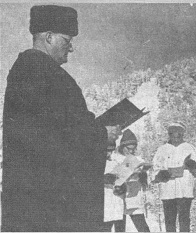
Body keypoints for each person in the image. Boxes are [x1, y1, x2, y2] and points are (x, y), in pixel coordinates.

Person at [2, 5, 121, 231]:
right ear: (49, 37)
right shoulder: (45, 73)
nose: (71, 48)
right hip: (52, 206)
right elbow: (57, 136)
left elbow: (52, 130)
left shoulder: (27, 69)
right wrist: (103, 134)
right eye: (67, 40)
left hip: (32, 201)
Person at [152, 122, 196, 232]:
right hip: (168, 189)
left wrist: (193, 166)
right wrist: (161, 174)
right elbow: (155, 169)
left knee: (184, 219)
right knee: (170, 220)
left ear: (182, 135)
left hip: (184, 189)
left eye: (179, 135)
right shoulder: (162, 149)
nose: (176, 138)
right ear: (169, 135)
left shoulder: (189, 148)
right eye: (173, 135)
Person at [118, 129, 151, 232]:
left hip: (134, 197)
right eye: (129, 148)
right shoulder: (116, 159)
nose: (131, 151)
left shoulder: (138, 160)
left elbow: (145, 181)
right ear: (122, 147)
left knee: (143, 228)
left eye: (133, 149)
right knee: (119, 228)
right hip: (119, 198)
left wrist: (143, 173)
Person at [102, 142, 126, 232]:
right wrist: (104, 179)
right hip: (105, 201)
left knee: (119, 225)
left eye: (111, 151)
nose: (108, 153)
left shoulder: (115, 162)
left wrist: (121, 184)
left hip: (117, 199)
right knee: (106, 226)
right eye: (107, 151)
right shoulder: (96, 163)